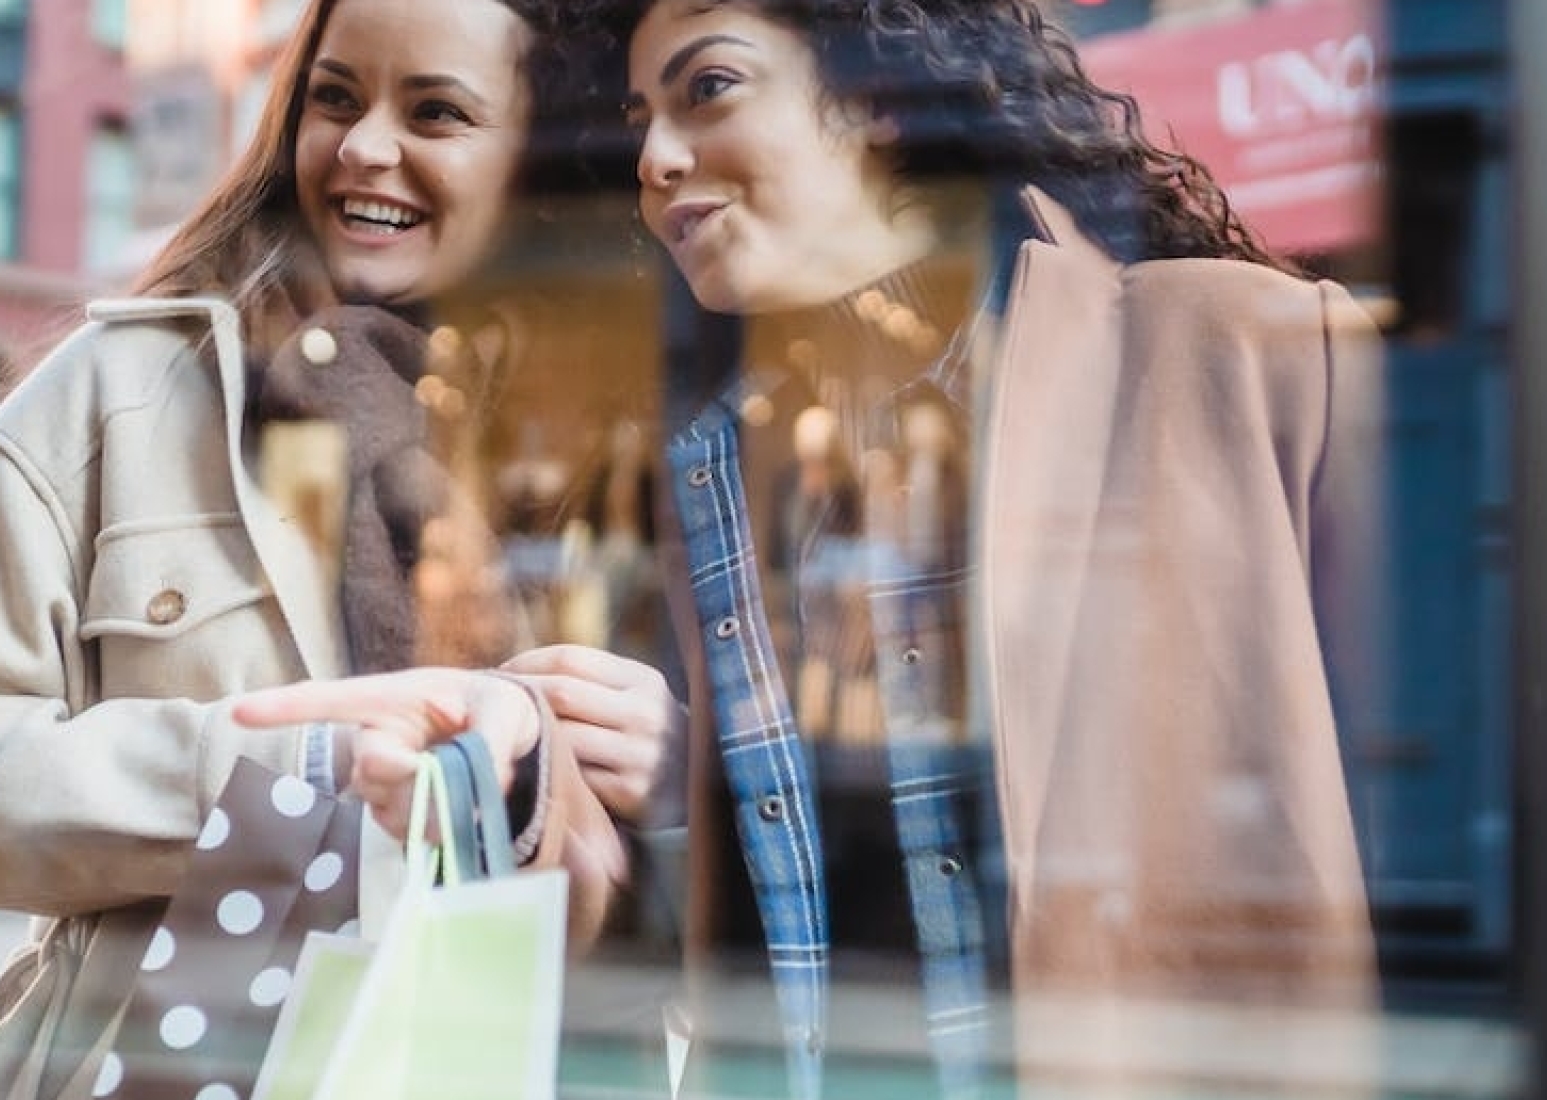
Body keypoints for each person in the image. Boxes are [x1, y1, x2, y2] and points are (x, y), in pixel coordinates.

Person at [517, 0, 1386, 1096]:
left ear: (877, 97)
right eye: (638, 116)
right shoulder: (707, 466)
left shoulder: (1245, 353)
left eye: (709, 87)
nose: (655, 156)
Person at [0, 0, 670, 1095]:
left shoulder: (639, 440)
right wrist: (273, 772)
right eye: (334, 97)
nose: (363, 147)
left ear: (535, 156)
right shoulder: (117, 393)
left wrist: (674, 778)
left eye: (436, 112)